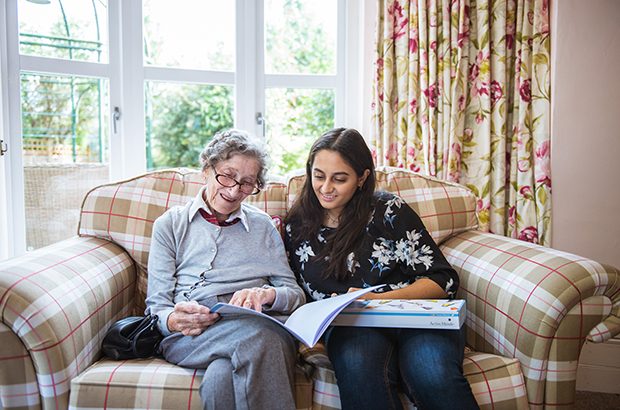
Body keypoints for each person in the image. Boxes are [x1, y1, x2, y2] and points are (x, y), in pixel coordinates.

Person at [284, 127, 479, 410]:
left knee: (430, 371)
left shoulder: (389, 210)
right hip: (352, 327)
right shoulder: (297, 225)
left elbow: (442, 279)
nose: (326, 188)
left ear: (362, 178)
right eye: (318, 175)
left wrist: (378, 301)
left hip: (416, 317)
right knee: (359, 370)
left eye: (340, 179)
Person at [146, 129, 305, 410]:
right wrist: (174, 320)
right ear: (207, 169)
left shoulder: (262, 226)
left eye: (246, 184)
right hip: (194, 336)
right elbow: (157, 306)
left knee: (222, 377)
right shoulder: (170, 225)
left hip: (256, 323)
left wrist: (267, 295)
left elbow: (295, 295)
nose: (234, 191)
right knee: (263, 340)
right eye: (227, 176)